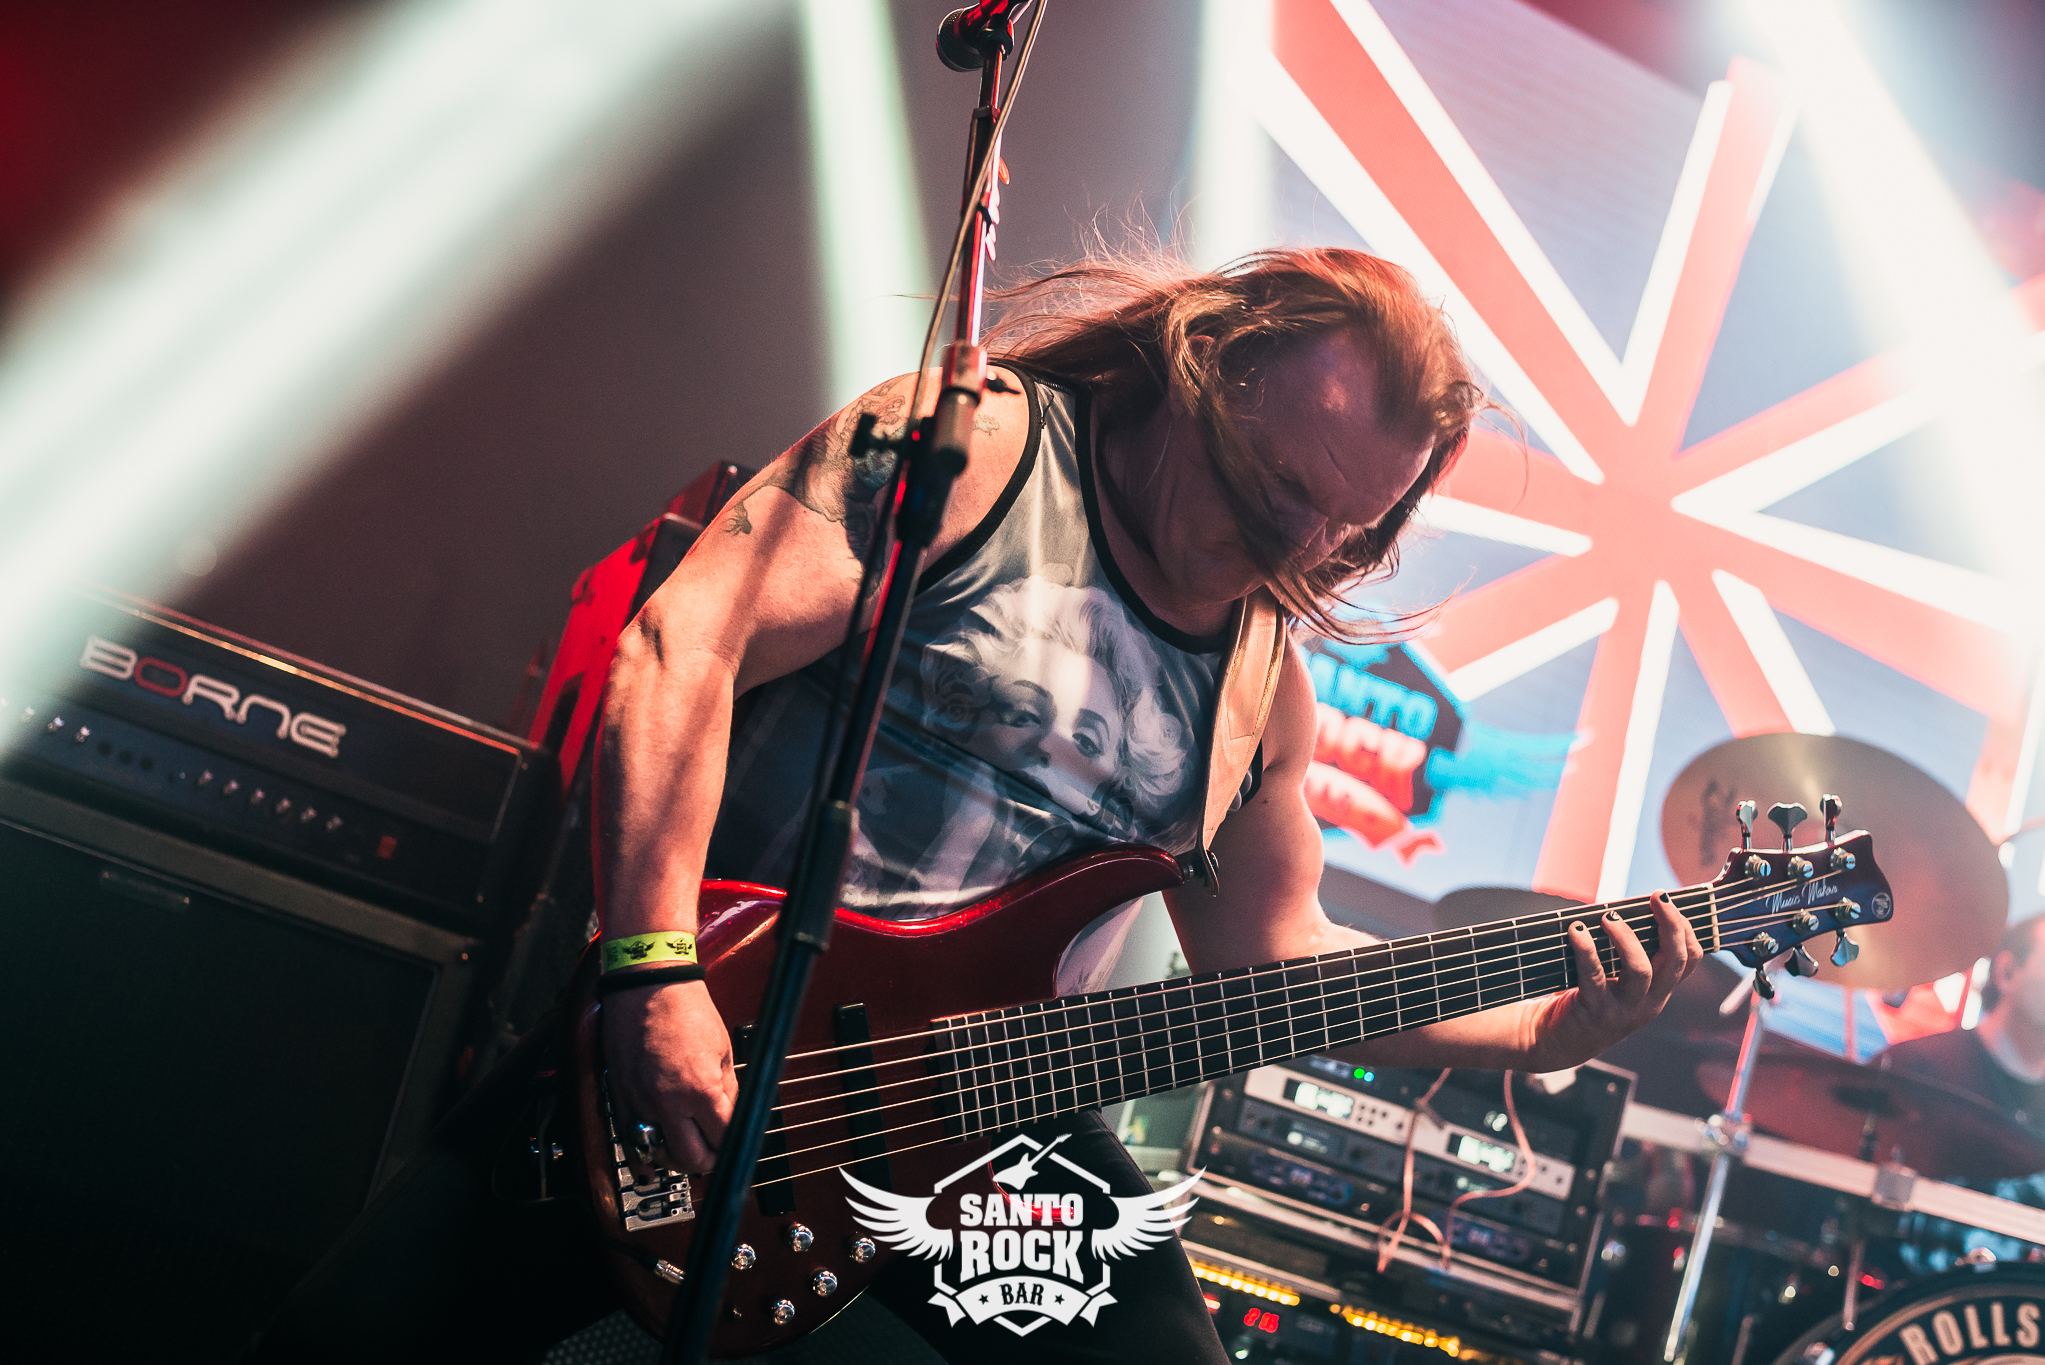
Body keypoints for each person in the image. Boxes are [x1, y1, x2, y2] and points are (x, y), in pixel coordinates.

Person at [250, 248, 1703, 1363]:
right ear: (1206, 366)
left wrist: (1536, 1030)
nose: (1297, 548)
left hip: (977, 1119)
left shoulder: (1261, 681)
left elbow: (1270, 957)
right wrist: (651, 968)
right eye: (1276, 492)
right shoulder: (985, 455)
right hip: (720, 1024)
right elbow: (684, 647)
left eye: (1346, 533)